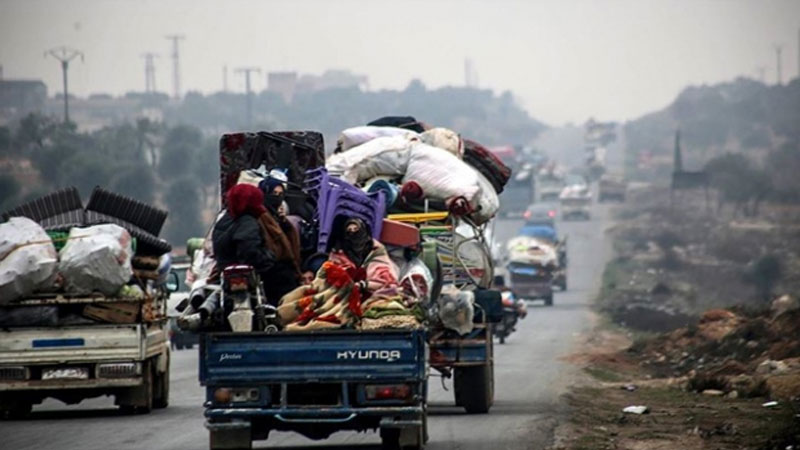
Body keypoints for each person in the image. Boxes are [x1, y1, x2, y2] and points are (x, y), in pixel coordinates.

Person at [256, 172, 302, 304]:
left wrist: (283, 223)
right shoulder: (260, 217)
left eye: (280, 194)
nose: (277, 198)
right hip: (272, 272)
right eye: (274, 194)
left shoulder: (279, 218)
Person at [328, 217, 398, 294]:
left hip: (371, 289)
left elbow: (385, 278)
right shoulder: (340, 251)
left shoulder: (375, 249)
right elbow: (333, 271)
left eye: (356, 229)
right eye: (349, 231)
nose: (353, 233)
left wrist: (364, 285)